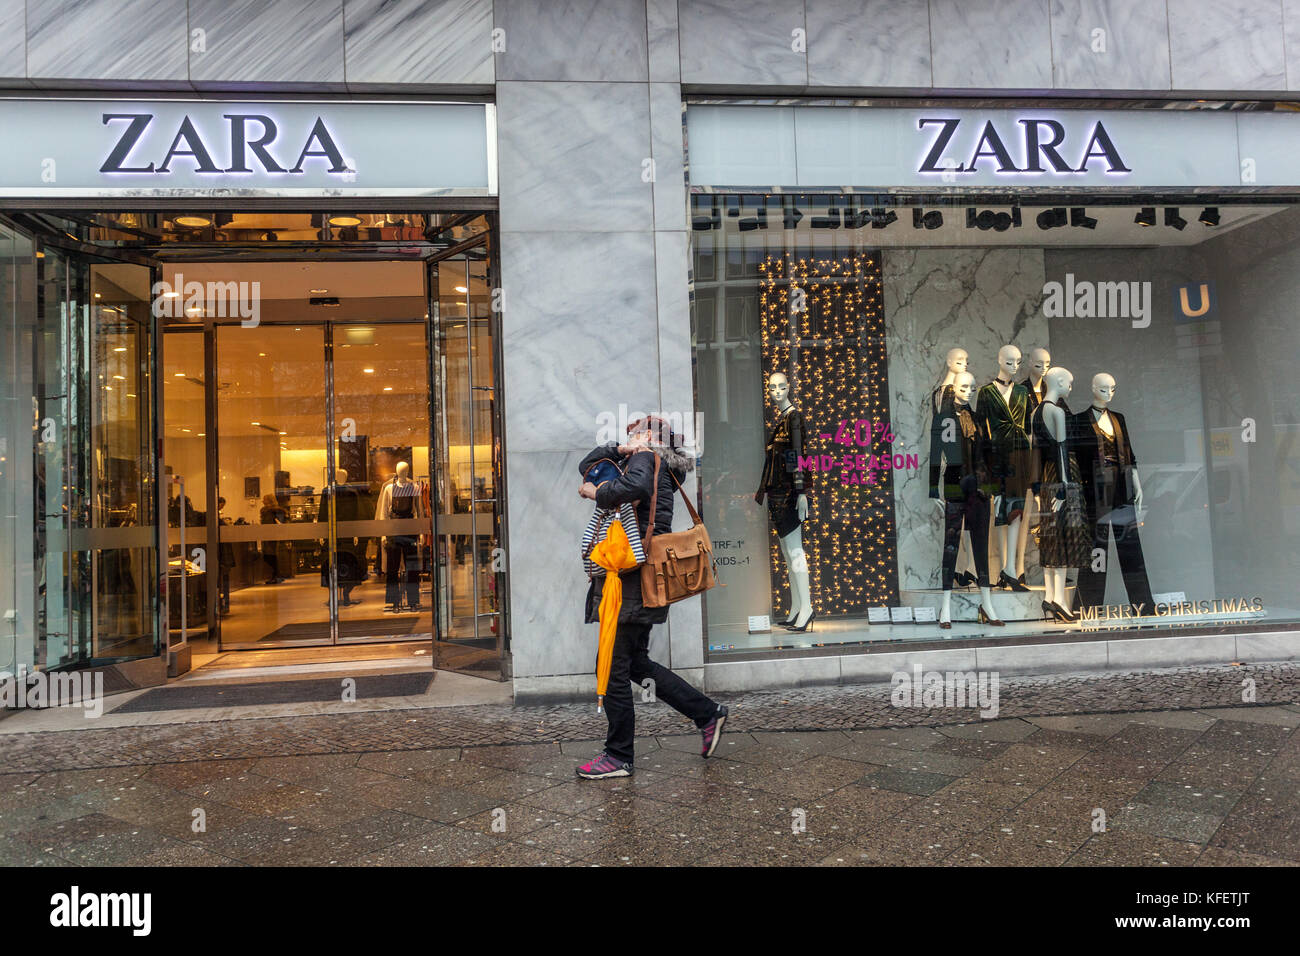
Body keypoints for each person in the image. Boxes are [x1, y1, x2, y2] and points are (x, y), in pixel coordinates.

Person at [574, 414, 727, 779]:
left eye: (632, 434)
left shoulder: (646, 460)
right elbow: (587, 464)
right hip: (644, 576)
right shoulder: (662, 464)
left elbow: (632, 488)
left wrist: (596, 492)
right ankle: (707, 713)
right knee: (637, 664)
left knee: (611, 667)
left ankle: (618, 756)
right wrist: (617, 449)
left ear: (648, 436)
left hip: (630, 577)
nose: (627, 442)